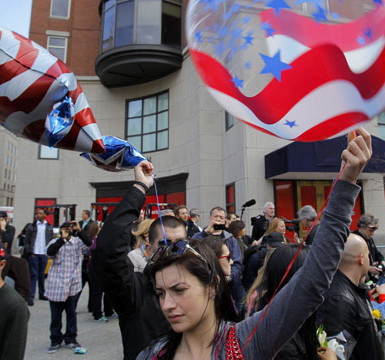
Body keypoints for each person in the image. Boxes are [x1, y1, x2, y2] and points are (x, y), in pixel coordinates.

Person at [136, 128, 371, 359]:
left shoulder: (246, 341)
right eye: (160, 293)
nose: (167, 305)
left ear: (212, 286)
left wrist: (347, 180)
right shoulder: (153, 354)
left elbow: (313, 279)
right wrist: (139, 189)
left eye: (179, 290)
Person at [95, 187, 187, 359]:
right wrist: (139, 190)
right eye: (164, 244)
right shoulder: (135, 290)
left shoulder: (194, 287)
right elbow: (108, 252)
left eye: (179, 244)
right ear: (149, 246)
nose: (172, 251)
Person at [318, 233, 383, 360]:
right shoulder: (339, 299)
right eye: (368, 255)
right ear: (361, 259)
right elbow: (340, 353)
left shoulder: (351, 290)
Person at [44, 221, 92, 353]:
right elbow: (49, 252)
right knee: (55, 315)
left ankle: (71, 338)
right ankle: (55, 339)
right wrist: (62, 239)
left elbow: (90, 243)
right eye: (64, 229)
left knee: (71, 313)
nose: (67, 231)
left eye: (69, 228)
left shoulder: (77, 242)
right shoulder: (55, 242)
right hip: (56, 285)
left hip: (73, 285)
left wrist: (79, 230)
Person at [86, 221, 115, 322]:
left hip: (106, 268)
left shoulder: (105, 239)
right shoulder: (92, 240)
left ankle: (109, 310)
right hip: (95, 268)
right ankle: (97, 314)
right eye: (101, 227)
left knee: (108, 291)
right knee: (97, 292)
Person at [24, 208, 54, 306]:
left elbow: (51, 240)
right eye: (37, 213)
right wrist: (30, 251)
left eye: (40, 213)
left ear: (45, 215)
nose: (38, 215)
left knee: (42, 275)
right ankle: (31, 296)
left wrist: (49, 252)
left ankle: (42, 293)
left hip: (43, 253)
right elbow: (27, 240)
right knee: (34, 275)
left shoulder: (49, 227)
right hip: (34, 253)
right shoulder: (32, 227)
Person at [352, 214, 385, 279]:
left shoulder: (369, 240)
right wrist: (368, 268)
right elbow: (350, 260)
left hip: (369, 276)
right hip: (358, 277)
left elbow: (377, 253)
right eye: (370, 231)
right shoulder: (353, 240)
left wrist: (382, 262)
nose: (372, 234)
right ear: (362, 227)